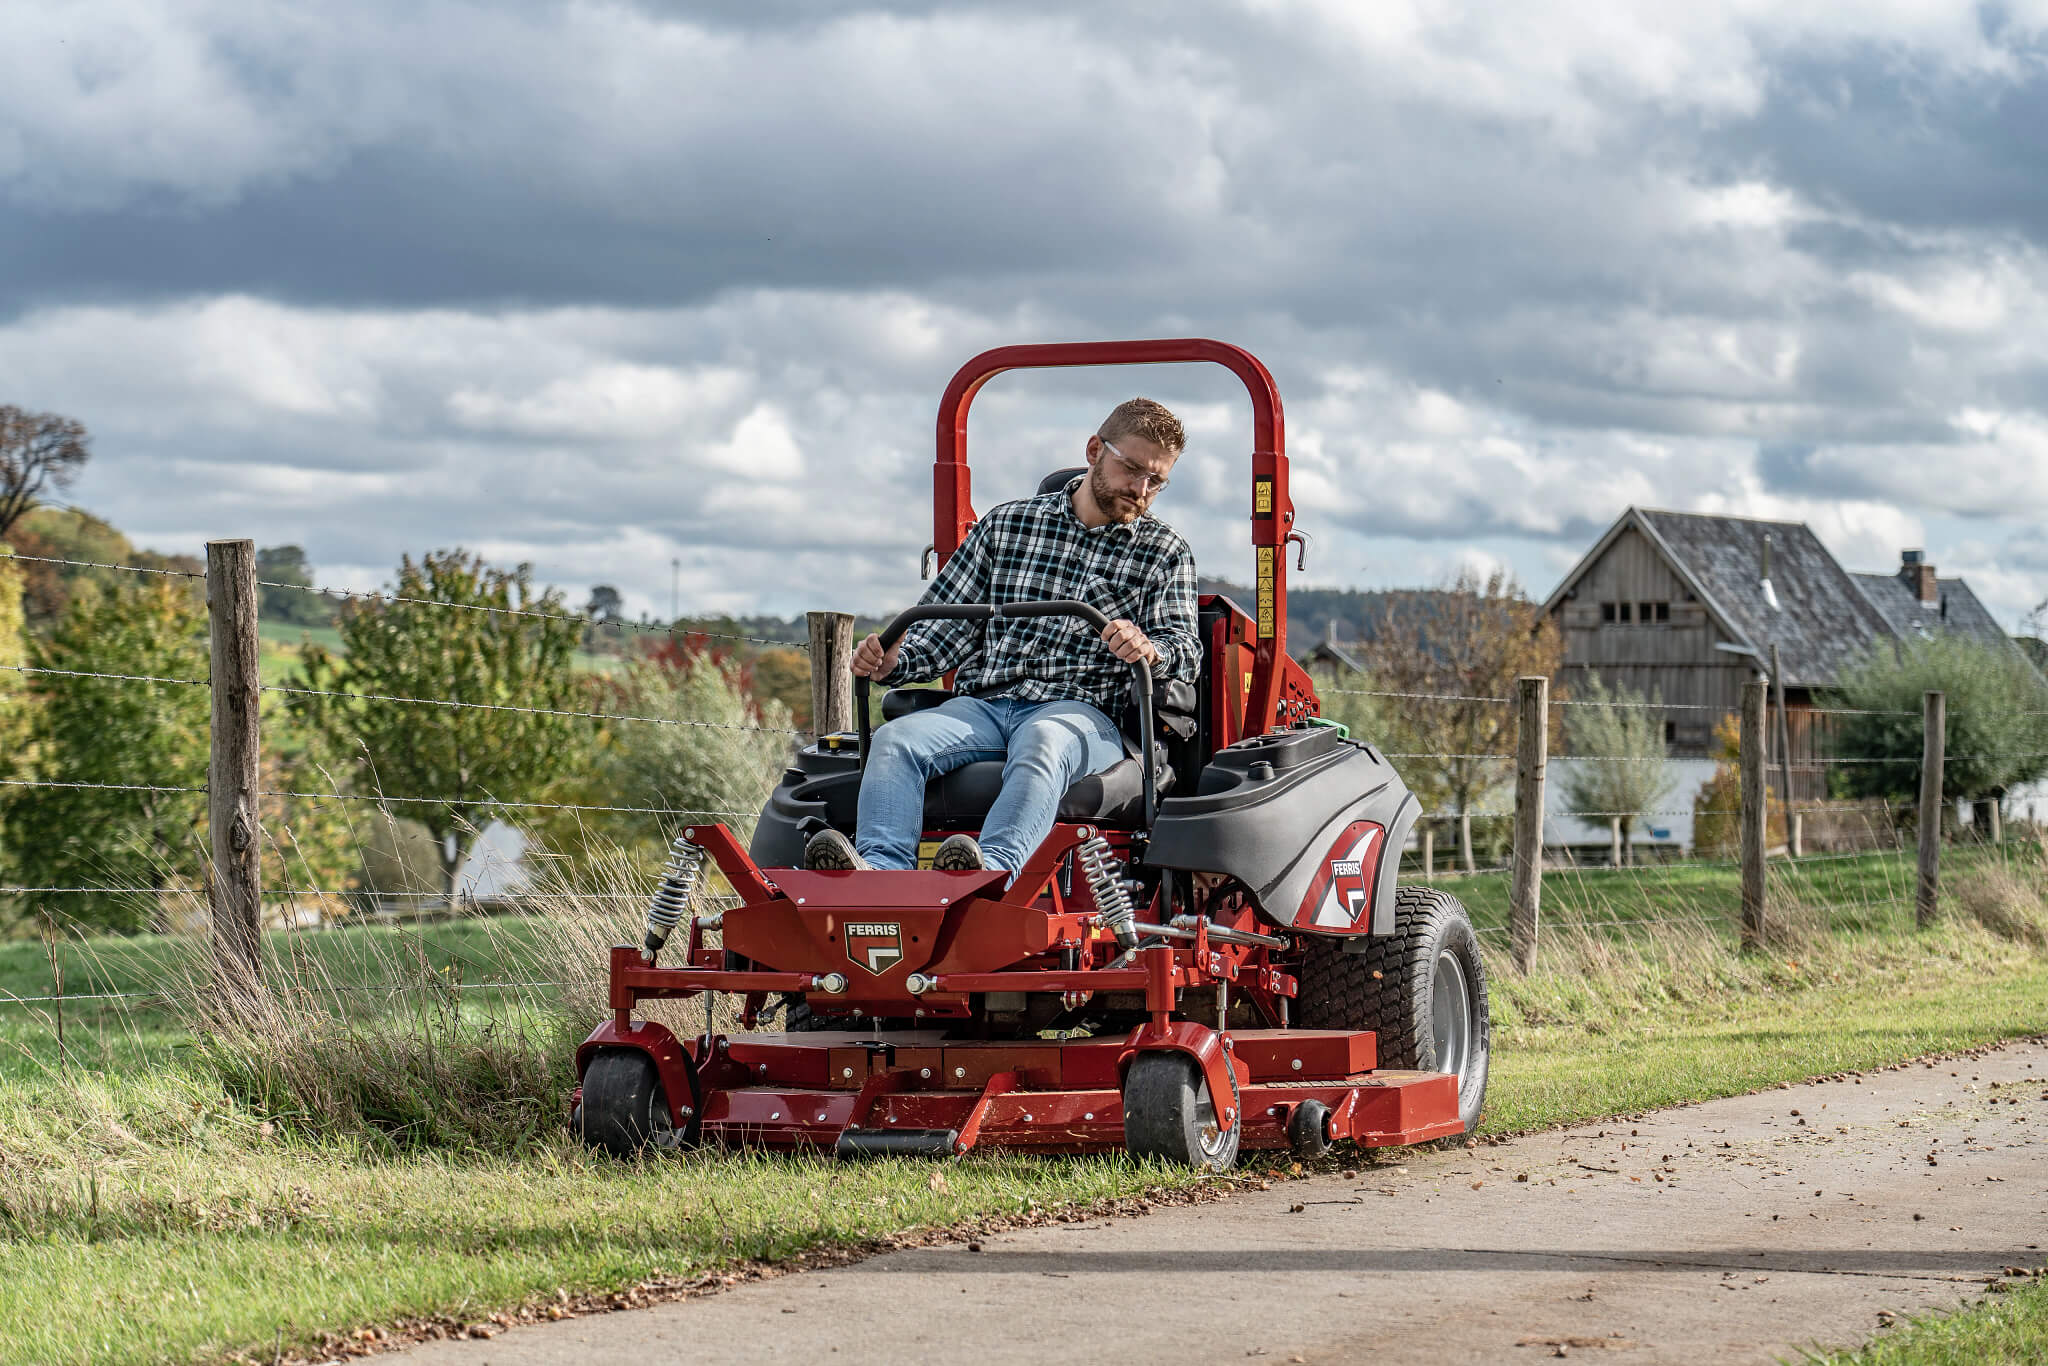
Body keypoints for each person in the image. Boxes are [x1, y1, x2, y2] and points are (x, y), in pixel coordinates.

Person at [804, 397, 1200, 877]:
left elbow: (1185, 649)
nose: (1140, 490)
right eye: (1132, 469)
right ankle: (882, 875)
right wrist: (896, 662)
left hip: (1083, 714)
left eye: (1156, 481)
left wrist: (1150, 649)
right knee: (895, 739)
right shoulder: (1006, 526)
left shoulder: (1164, 552)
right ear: (1095, 450)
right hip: (985, 706)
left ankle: (991, 875)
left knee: (1043, 739)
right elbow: (945, 628)